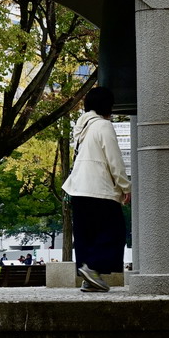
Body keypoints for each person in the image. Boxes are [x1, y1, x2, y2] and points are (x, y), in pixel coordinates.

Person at [62, 86, 131, 292]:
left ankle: (89, 278)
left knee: (87, 235)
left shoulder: (82, 127)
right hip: (99, 190)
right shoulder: (103, 126)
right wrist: (125, 186)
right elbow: (114, 160)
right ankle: (92, 270)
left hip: (78, 189)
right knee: (114, 232)